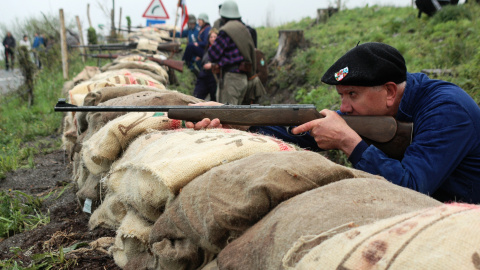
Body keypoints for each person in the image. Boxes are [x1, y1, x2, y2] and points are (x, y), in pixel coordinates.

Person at [187, 42, 480, 204]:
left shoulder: (447, 110)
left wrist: (349, 142)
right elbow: (303, 132)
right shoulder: (378, 107)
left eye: (352, 94)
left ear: (390, 92)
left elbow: (413, 187)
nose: (343, 107)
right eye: (341, 95)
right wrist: (238, 120)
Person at [208, 0, 257, 105]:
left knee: (226, 115)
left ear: (223, 16)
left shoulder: (226, 31)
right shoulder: (244, 29)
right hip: (243, 78)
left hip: (231, 79)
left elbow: (213, 54)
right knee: (235, 114)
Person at [193, 28, 219, 101]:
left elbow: (222, 62)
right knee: (196, 97)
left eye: (215, 37)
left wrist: (212, 65)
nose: (213, 39)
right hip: (204, 75)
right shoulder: (207, 48)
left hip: (214, 76)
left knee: (214, 99)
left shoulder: (220, 49)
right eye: (211, 37)